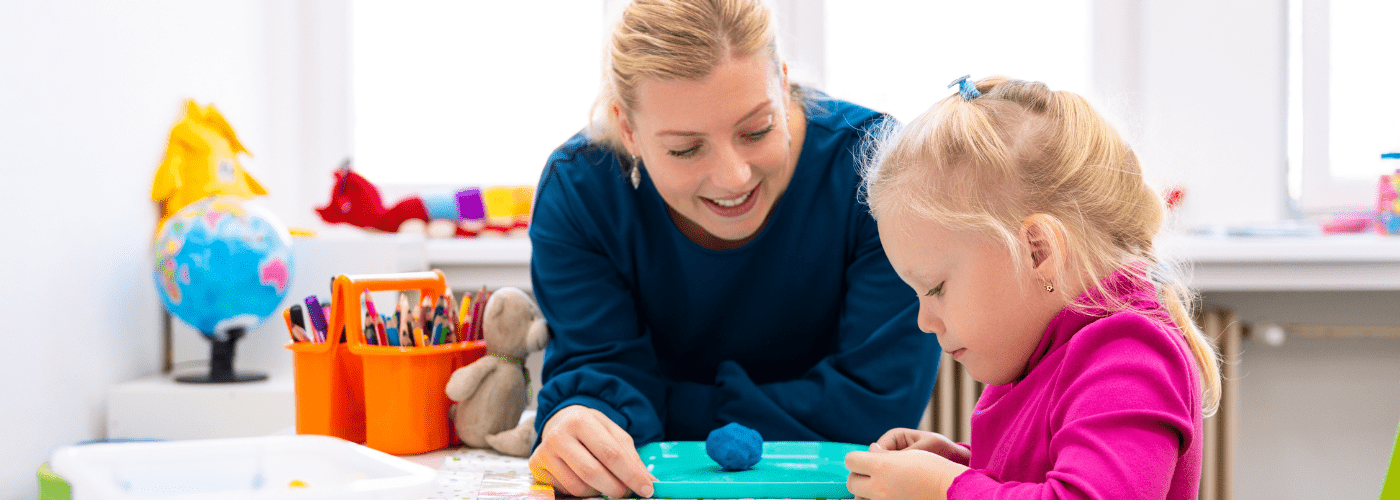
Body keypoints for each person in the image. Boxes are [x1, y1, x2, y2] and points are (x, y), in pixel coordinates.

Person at [525, 0, 942, 497]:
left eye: (757, 129)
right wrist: (579, 421)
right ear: (628, 129)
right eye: (685, 148)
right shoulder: (580, 191)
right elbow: (599, 386)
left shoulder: (876, 169)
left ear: (783, 85)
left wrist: (660, 409)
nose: (733, 177)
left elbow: (875, 407)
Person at [845, 76, 1223, 500]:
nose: (924, 321)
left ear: (1038, 251)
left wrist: (942, 488)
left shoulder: (1130, 358)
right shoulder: (1044, 350)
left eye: (934, 288)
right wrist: (963, 464)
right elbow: (1049, 474)